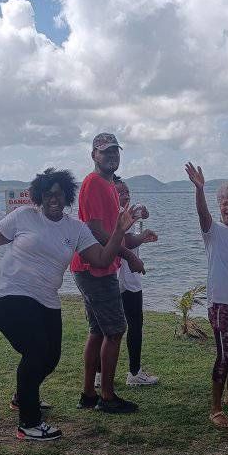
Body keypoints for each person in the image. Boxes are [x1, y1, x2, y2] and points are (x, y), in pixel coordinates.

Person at [0, 168, 137, 441]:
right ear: (38, 196)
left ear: (66, 196)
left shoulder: (76, 229)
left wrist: (119, 231)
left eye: (58, 194)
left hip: (46, 299)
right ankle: (29, 423)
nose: (53, 199)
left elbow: (102, 260)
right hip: (8, 293)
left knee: (50, 358)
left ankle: (22, 396)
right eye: (47, 195)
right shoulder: (25, 216)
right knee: (36, 353)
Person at [70, 133, 147, 414]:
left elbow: (116, 229)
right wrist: (127, 256)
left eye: (115, 152)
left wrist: (132, 223)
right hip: (95, 267)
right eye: (105, 152)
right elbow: (95, 229)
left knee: (97, 331)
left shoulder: (109, 186)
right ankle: (107, 396)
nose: (112, 156)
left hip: (94, 266)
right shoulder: (93, 183)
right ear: (94, 155)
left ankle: (89, 393)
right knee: (115, 331)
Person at [185, 164, 228, 428]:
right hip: (221, 303)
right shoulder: (213, 231)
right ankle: (214, 409)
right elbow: (202, 214)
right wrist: (199, 189)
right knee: (224, 355)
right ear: (219, 206)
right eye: (224, 204)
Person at [107, 177, 159, 387]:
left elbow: (132, 226)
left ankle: (102, 375)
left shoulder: (121, 213)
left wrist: (139, 215)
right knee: (133, 325)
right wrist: (143, 235)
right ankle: (134, 373)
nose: (125, 195)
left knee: (108, 328)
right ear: (112, 195)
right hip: (124, 279)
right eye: (120, 193)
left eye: (127, 191)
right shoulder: (117, 213)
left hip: (121, 277)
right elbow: (126, 241)